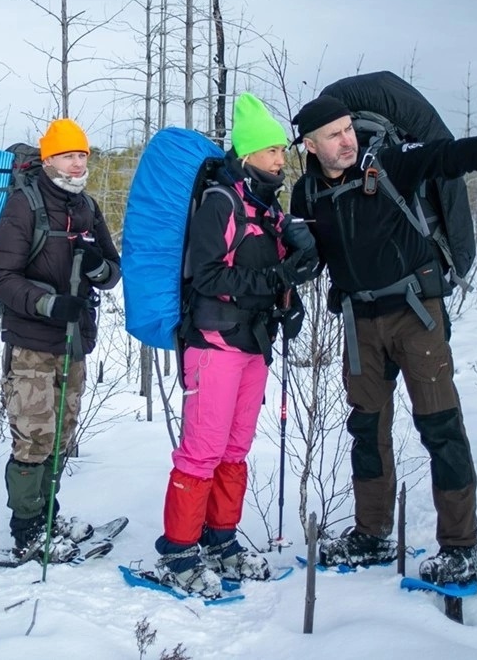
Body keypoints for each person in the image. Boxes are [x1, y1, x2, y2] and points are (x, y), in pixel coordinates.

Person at [289, 92, 477, 585]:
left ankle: (462, 547)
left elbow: (454, 155)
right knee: (366, 431)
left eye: (348, 129)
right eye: (333, 134)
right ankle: (371, 533)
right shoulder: (305, 195)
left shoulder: (390, 165)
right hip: (360, 325)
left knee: (440, 427)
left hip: (415, 316)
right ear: (311, 146)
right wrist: (294, 261)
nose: (347, 140)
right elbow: (313, 261)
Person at [153, 93, 318, 598]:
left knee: (234, 450)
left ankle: (220, 541)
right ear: (247, 154)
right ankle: (178, 551)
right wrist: (275, 278)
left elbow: (272, 275)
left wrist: (288, 300)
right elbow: (208, 275)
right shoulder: (221, 203)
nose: (279, 159)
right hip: (214, 341)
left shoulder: (267, 210)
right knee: (202, 451)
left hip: (252, 342)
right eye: (270, 151)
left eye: (280, 152)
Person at [0, 118, 121, 560]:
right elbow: (2, 278)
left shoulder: (87, 206)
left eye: (82, 154)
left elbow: (112, 271)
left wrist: (99, 268)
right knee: (34, 436)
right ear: (48, 160)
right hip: (31, 341)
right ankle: (26, 529)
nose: (77, 162)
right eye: (68, 154)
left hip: (74, 340)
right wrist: (48, 304)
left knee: (62, 434)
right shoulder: (23, 206)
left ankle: (48, 514)